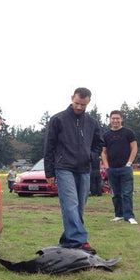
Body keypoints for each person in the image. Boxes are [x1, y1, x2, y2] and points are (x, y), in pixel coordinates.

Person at [44, 88, 103, 254]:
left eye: (83, 105)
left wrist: (91, 156)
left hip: (84, 168)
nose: (79, 107)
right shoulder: (58, 119)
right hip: (63, 168)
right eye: (77, 103)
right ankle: (79, 241)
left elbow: (99, 142)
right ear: (72, 98)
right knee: (70, 204)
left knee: (79, 208)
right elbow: (49, 147)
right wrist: (49, 172)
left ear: (88, 102)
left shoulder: (92, 122)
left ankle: (68, 239)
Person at [102, 110, 138, 224]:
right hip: (112, 169)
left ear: (121, 119)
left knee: (127, 193)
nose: (115, 120)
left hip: (125, 168)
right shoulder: (106, 135)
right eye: (113, 118)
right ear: (110, 119)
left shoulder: (128, 132)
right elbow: (103, 152)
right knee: (115, 194)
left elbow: (134, 148)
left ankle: (129, 216)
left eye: (118, 118)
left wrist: (129, 163)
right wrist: (107, 167)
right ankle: (119, 215)